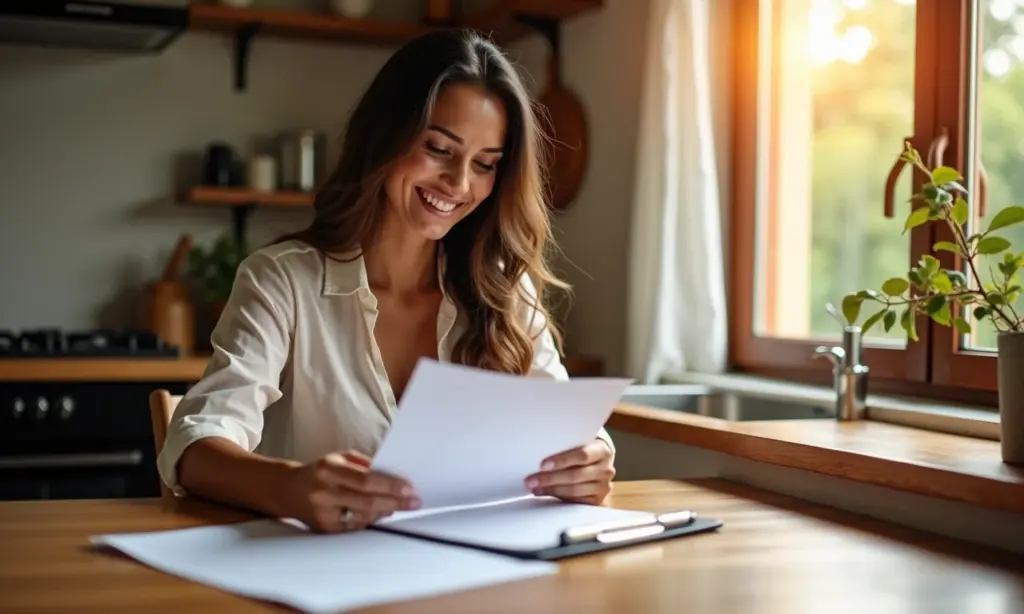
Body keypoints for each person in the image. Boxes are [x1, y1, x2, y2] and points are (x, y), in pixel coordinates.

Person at [157, 28, 616, 534]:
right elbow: (196, 445)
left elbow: (575, 434)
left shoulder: (504, 293)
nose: (460, 184)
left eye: (485, 165)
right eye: (439, 149)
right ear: (386, 137)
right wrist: (290, 488)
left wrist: (589, 461)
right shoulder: (282, 282)